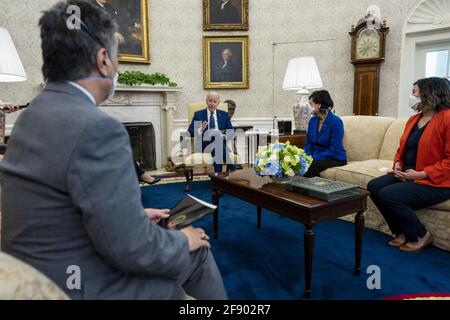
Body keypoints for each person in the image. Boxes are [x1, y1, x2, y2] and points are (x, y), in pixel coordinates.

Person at [0, 0, 227, 300]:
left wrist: (133, 216)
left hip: (43, 265)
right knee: (196, 251)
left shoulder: (33, 114)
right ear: (104, 59)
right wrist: (183, 240)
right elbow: (133, 250)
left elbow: (63, 204)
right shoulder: (97, 128)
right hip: (79, 283)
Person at [367, 77, 450, 253]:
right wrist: (398, 163)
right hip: (407, 174)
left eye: (414, 92)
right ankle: (402, 232)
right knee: (373, 186)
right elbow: (403, 148)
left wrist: (420, 175)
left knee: (390, 195)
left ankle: (421, 235)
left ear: (429, 93)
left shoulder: (447, 118)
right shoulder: (414, 119)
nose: (411, 96)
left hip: (437, 181)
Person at [188, 92, 236, 173]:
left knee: (217, 146)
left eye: (215, 102)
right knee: (216, 135)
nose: (212, 104)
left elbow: (231, 131)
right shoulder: (199, 114)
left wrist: (224, 136)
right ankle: (232, 167)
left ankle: (218, 177)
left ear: (218, 103)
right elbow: (190, 131)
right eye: (210, 101)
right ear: (206, 101)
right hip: (204, 144)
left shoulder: (224, 114)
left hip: (219, 143)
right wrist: (200, 129)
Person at [303, 90, 347, 177]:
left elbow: (334, 149)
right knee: (299, 161)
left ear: (318, 105)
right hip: (316, 157)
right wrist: (307, 156)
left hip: (334, 158)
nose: (308, 107)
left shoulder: (336, 122)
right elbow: (308, 143)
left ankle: (311, 189)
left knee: (312, 165)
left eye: (310, 104)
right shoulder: (313, 120)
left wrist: (313, 158)